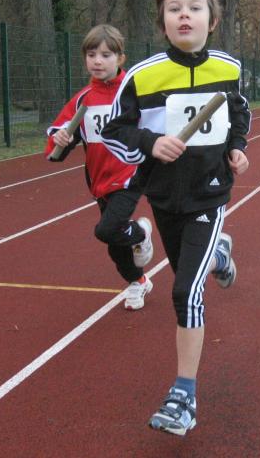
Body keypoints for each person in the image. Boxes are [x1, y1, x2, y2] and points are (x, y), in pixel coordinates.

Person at [101, 0, 250, 436]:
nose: (184, 15)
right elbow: (115, 131)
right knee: (191, 269)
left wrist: (237, 147)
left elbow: (238, 112)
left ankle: (184, 395)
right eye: (174, 8)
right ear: (162, 20)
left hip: (210, 194)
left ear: (213, 18)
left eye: (195, 8)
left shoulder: (228, 68)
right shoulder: (143, 76)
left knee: (186, 291)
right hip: (165, 197)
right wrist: (151, 143)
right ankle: (219, 255)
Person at [45, 24, 155, 311]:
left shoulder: (134, 92)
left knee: (107, 230)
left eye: (106, 55)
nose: (97, 61)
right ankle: (138, 281)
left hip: (130, 174)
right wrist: (60, 139)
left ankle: (140, 233)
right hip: (99, 179)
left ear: (120, 58)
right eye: (91, 55)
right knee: (114, 245)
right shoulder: (83, 99)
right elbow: (60, 134)